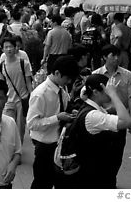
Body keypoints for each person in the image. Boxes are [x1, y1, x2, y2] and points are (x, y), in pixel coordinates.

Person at [71, 74, 131, 188]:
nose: (109, 93)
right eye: (107, 90)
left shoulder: (94, 108)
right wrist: (114, 95)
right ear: (96, 92)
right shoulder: (93, 115)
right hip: (94, 177)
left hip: (96, 173)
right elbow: (126, 121)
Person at [26, 55, 79, 188]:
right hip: (44, 147)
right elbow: (31, 124)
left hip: (60, 144)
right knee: (42, 183)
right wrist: (57, 118)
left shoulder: (61, 88)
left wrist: (70, 112)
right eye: (67, 78)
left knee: (61, 182)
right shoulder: (40, 94)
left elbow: (64, 106)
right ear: (57, 73)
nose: (69, 81)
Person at [92, 44, 131, 188]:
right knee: (101, 153)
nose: (117, 58)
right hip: (102, 119)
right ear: (105, 57)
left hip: (120, 120)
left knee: (117, 154)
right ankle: (104, 180)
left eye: (118, 55)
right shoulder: (96, 75)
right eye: (113, 55)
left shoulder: (127, 75)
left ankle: (111, 179)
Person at [0, 37, 33, 143]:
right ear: (2, 49)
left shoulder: (23, 63)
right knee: (7, 126)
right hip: (8, 100)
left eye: (11, 47)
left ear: (15, 48)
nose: (9, 49)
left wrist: (31, 97)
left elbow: (28, 82)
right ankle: (10, 149)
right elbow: (2, 84)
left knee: (20, 128)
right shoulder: (2, 66)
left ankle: (18, 150)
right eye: (6, 47)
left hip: (22, 99)